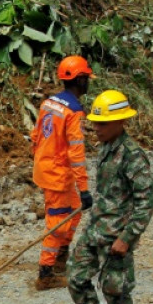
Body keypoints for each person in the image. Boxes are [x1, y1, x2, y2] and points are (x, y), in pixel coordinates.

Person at [67, 90, 153, 304]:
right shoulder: (106, 147)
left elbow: (146, 202)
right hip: (96, 230)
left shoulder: (132, 156)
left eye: (103, 124)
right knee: (76, 278)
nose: (97, 129)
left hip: (116, 237)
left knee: (115, 293)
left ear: (120, 121)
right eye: (95, 123)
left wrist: (127, 238)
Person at [30, 55, 94, 290]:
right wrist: (85, 188)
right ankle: (45, 274)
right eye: (86, 78)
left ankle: (60, 258)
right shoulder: (74, 112)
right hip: (57, 175)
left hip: (46, 170)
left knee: (74, 211)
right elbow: (76, 154)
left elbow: (36, 136)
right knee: (57, 223)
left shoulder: (48, 103)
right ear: (79, 80)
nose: (88, 83)